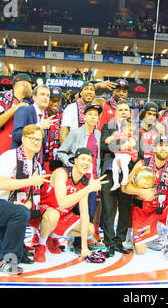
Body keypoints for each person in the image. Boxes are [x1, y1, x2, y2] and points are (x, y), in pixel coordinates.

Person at [0, 125, 50, 275]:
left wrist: (25, 204)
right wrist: (30, 182)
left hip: (10, 208)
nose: (35, 142)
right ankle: (6, 262)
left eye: (39, 139)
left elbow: (32, 197)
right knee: (20, 214)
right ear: (23, 139)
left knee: (17, 255)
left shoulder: (37, 166)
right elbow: (2, 184)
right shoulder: (9, 156)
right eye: (31, 138)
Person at [30, 148, 108, 263]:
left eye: (89, 160)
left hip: (61, 215)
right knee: (53, 215)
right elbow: (62, 202)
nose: (86, 162)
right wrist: (88, 189)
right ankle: (41, 245)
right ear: (75, 161)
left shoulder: (84, 182)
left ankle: (52, 237)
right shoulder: (62, 173)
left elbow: (85, 214)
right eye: (83, 159)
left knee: (89, 229)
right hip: (42, 212)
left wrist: (84, 248)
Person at [121, 135, 168, 260]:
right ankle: (153, 234)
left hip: (161, 210)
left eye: (166, 146)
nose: (163, 148)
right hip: (143, 212)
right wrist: (141, 191)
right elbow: (125, 188)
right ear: (155, 148)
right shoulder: (142, 164)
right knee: (140, 251)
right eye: (160, 145)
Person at [55, 102, 105, 252]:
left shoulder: (99, 135)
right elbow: (61, 151)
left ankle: (84, 241)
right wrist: (71, 164)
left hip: (92, 179)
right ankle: (76, 243)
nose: (92, 117)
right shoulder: (76, 133)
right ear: (84, 117)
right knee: (77, 212)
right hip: (77, 179)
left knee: (89, 212)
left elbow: (97, 158)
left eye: (95, 115)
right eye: (89, 114)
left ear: (98, 118)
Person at [100, 99, 142, 257]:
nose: (123, 112)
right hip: (109, 173)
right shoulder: (108, 127)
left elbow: (140, 153)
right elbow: (103, 145)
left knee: (125, 209)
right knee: (108, 210)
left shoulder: (135, 131)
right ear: (115, 113)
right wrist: (122, 147)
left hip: (127, 173)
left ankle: (120, 241)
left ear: (130, 113)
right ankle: (109, 243)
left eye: (126, 109)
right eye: (120, 110)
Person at [0, 73, 33, 175]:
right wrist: (16, 108)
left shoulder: (25, 104)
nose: (32, 89)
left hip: (15, 157)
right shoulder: (5, 96)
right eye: (31, 86)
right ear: (24, 83)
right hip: (0, 155)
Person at [11, 85, 55, 166]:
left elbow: (41, 148)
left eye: (48, 95)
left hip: (37, 164)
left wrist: (42, 168)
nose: (46, 98)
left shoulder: (45, 117)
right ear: (34, 97)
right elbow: (16, 135)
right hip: (20, 163)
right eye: (42, 94)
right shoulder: (24, 110)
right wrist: (38, 126)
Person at [110, 118, 138, 191]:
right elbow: (109, 140)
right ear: (123, 128)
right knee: (114, 167)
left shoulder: (130, 137)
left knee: (123, 164)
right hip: (118, 154)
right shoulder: (117, 134)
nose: (131, 132)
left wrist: (126, 145)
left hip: (126, 154)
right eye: (130, 130)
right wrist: (111, 139)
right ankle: (116, 183)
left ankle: (125, 179)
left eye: (132, 131)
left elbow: (132, 143)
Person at [44, 87, 64, 174]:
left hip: (58, 160)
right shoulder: (40, 113)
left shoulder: (63, 114)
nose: (56, 103)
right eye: (53, 100)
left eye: (58, 100)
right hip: (42, 159)